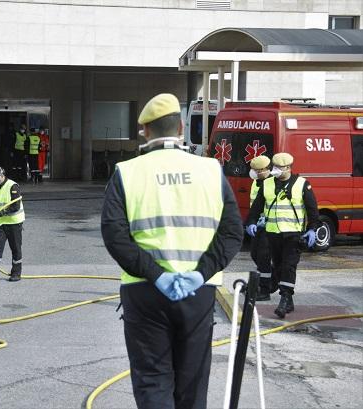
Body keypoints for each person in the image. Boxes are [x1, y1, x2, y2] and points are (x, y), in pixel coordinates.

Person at [101, 93, 243, 409]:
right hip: (198, 293)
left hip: (145, 292)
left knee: (153, 382)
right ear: (181, 128)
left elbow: (115, 235)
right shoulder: (210, 170)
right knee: (192, 385)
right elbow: (232, 232)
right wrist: (199, 273)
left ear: (145, 131)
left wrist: (156, 275)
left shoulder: (126, 172)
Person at [246, 152, 319, 318]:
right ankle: (288, 300)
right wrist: (251, 222)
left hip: (293, 234)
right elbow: (257, 207)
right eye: (275, 166)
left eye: (279, 167)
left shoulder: (302, 184)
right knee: (278, 266)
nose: (276, 170)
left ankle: (285, 299)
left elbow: (312, 209)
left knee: (288, 265)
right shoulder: (267, 184)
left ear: (288, 168)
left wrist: (312, 229)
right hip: (273, 233)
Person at [248, 155, 274, 300]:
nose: (253, 172)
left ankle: (265, 289)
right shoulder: (256, 182)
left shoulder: (271, 183)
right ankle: (267, 281)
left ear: (264, 170)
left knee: (263, 257)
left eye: (256, 170)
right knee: (254, 254)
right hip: (257, 224)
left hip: (269, 225)